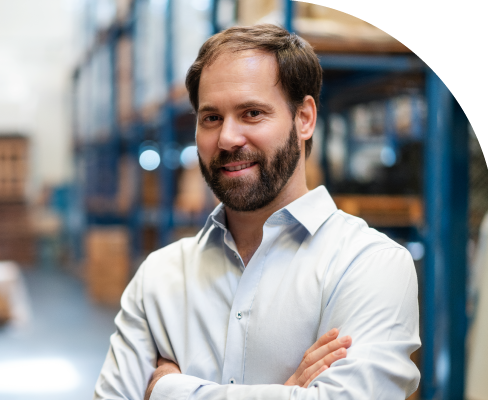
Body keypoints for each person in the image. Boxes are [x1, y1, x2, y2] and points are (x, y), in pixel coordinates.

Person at [93, 24, 421, 400]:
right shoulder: (158, 277)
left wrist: (169, 389)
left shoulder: (368, 264)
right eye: (211, 118)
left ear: (304, 119)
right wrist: (287, 393)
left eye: (251, 113)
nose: (228, 138)